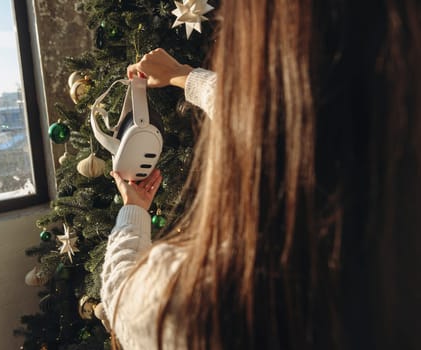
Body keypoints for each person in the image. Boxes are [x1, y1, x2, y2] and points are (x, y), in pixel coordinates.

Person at [101, 1, 421, 349]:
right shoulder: (395, 255)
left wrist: (132, 211)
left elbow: (120, 297)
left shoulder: (205, 299)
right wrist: (183, 75)